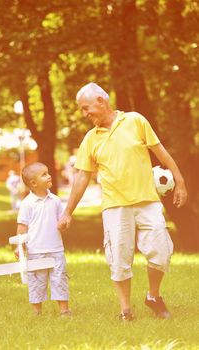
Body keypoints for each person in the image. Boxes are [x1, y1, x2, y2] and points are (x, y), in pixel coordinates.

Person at [58, 82, 187, 321]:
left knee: (161, 252)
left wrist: (179, 181)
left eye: (87, 108)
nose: (85, 114)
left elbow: (161, 152)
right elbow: (82, 176)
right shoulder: (90, 139)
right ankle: (125, 311)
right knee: (119, 260)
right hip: (115, 207)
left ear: (101, 100)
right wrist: (68, 211)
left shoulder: (135, 121)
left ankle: (153, 296)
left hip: (147, 201)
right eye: (82, 110)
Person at [16, 162, 70, 316]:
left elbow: (61, 221)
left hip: (56, 249)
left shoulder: (55, 200)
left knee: (60, 279)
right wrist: (20, 245)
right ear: (33, 183)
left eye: (48, 173)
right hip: (36, 250)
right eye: (44, 174)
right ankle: (37, 311)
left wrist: (64, 224)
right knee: (36, 282)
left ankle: (64, 310)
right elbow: (22, 226)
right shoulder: (27, 204)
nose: (49, 176)